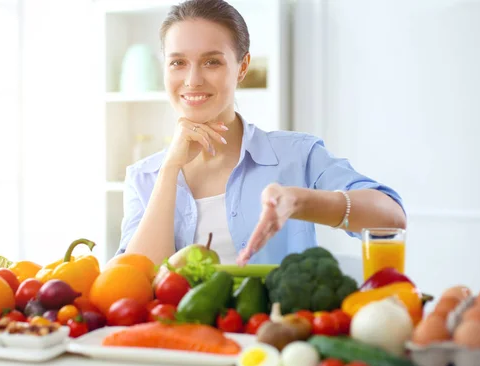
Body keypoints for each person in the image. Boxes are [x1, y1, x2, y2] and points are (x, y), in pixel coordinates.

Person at [115, 0, 406, 267]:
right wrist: (169, 169)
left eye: (212, 62)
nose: (192, 80)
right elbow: (136, 281)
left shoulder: (296, 155)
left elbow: (392, 217)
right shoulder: (144, 177)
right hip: (179, 327)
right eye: (178, 62)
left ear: (242, 67)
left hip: (275, 325)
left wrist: (300, 202)